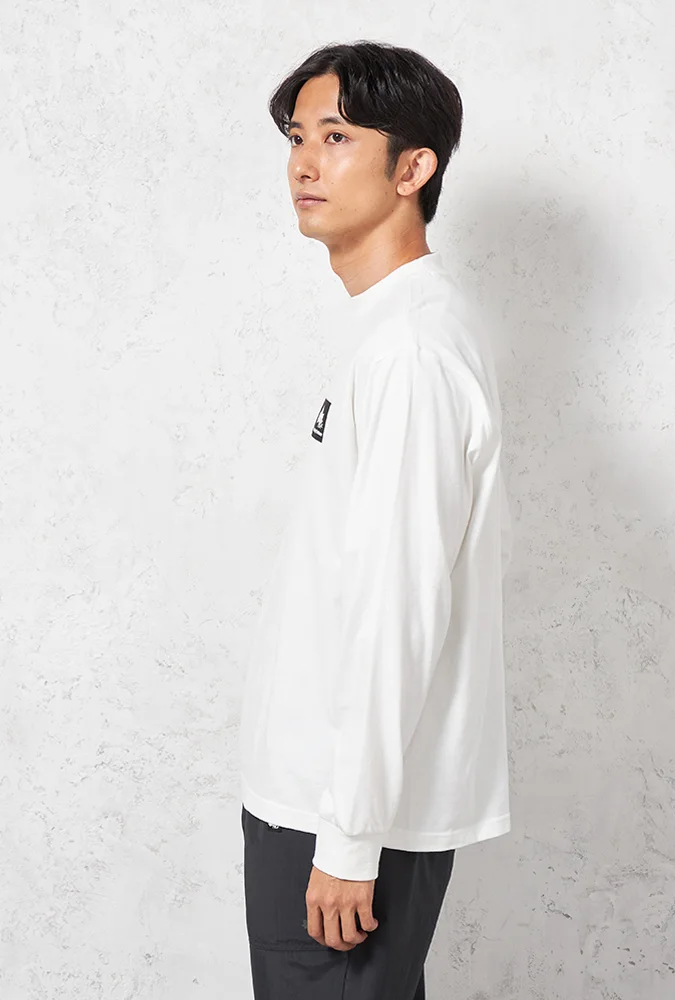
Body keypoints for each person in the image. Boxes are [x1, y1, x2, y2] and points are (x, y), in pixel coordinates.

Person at [238, 40, 513, 1000]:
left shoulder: (412, 352)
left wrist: (349, 840)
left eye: (338, 136)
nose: (304, 164)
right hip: (318, 804)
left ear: (413, 168)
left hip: (344, 820)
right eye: (297, 138)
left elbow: (399, 606)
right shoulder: (387, 329)